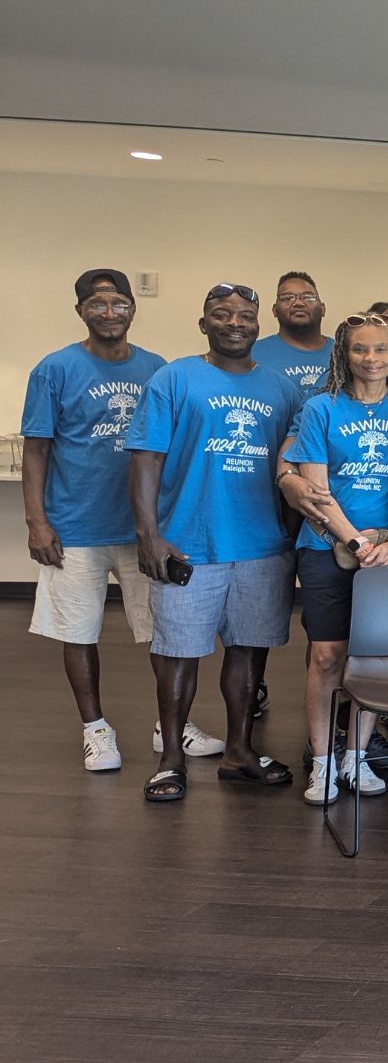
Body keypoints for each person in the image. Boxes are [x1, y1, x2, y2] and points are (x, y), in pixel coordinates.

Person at [128, 282, 308, 801]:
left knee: (249, 654)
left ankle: (239, 752)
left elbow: (295, 464)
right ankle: (171, 759)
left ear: (258, 325)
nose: (234, 323)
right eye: (222, 314)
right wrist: (149, 535)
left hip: (262, 546)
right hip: (188, 543)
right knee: (178, 653)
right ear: (203, 324)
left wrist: (290, 535)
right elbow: (146, 458)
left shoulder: (282, 388)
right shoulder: (175, 378)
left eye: (245, 315)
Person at [24, 268, 168, 772]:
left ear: (133, 308)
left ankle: (170, 725)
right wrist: (37, 522)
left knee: (164, 631)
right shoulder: (55, 369)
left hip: (142, 528)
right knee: (78, 631)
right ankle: (96, 730)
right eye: (98, 304)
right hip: (75, 528)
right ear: (80, 311)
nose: (110, 313)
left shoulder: (156, 368)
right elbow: (37, 449)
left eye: (119, 303)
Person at [280, 314, 388, 803]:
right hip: (327, 548)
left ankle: (356, 758)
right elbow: (315, 489)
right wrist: (357, 543)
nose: (371, 358)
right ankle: (322, 763)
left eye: (381, 349)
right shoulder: (321, 407)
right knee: (327, 657)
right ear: (344, 354)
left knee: (373, 658)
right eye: (360, 349)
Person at [251, 271, 334, 390]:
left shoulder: (344, 353)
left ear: (323, 309)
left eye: (308, 297)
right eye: (287, 298)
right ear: (275, 310)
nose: (298, 303)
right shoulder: (253, 353)